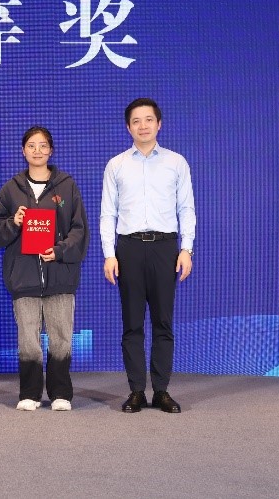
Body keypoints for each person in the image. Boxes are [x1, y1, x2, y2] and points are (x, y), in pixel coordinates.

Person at [100, 98, 196, 413]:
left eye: (149, 120)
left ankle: (162, 391)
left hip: (165, 247)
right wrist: (109, 254)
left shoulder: (176, 162)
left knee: (163, 321)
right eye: (136, 121)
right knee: (132, 323)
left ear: (159, 124)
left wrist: (186, 248)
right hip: (128, 247)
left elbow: (186, 208)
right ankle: (136, 391)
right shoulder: (116, 165)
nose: (143, 126)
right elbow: (108, 213)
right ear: (128, 127)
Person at [0, 127, 89, 411]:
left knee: (61, 338)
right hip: (24, 277)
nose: (37, 151)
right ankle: (29, 393)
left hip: (60, 275)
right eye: (31, 145)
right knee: (28, 340)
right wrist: (14, 223)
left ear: (51, 151)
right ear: (23, 151)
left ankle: (60, 393)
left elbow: (80, 230)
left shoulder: (67, 186)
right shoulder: (11, 189)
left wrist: (59, 251)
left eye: (43, 145)